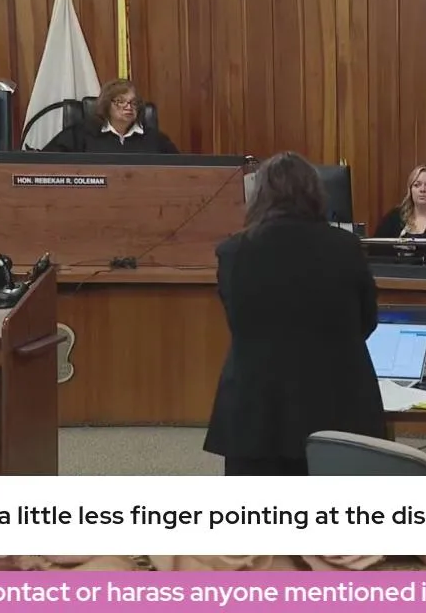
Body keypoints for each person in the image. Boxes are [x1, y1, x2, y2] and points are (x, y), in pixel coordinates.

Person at [203, 151, 386, 475]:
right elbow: (367, 320)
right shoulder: (345, 247)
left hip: (257, 410)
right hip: (336, 402)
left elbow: (238, 321)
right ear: (315, 192)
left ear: (259, 195)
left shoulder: (233, 252)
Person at [40, 78, 180, 153]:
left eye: (133, 102)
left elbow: (178, 172)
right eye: (120, 101)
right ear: (107, 104)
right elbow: (48, 163)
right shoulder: (80, 134)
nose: (128, 107)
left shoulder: (156, 139)